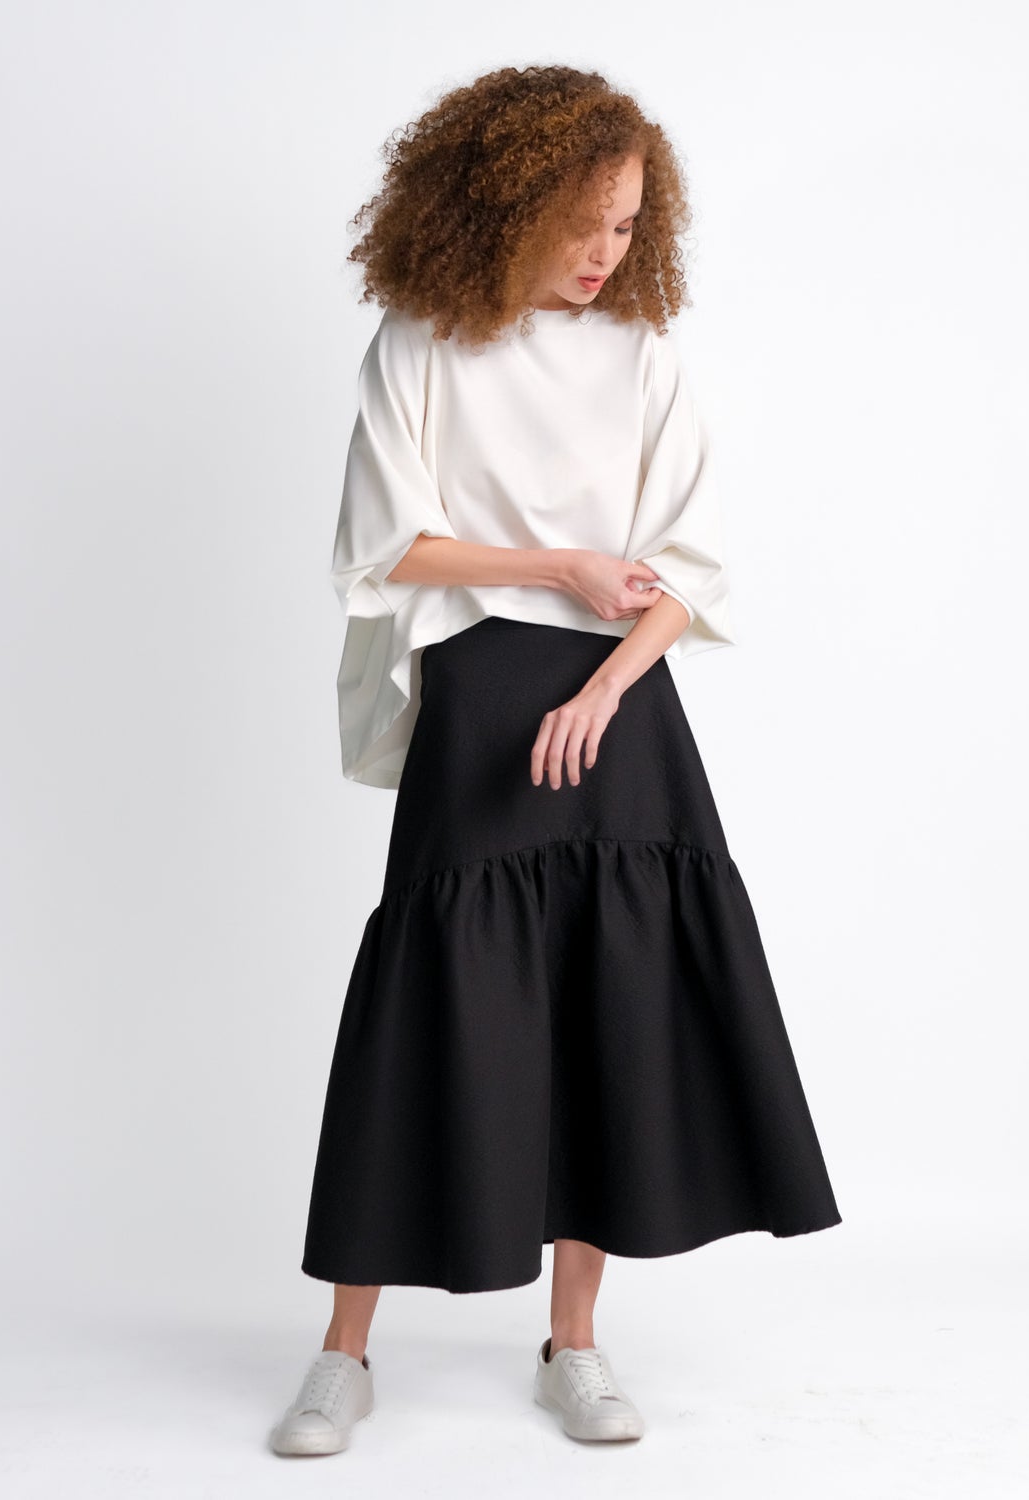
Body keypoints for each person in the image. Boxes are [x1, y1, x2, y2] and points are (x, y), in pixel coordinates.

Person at [270, 63, 841, 1457]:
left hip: (623, 705)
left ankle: (573, 1344)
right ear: (505, 204)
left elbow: (690, 573)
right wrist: (560, 567)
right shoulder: (419, 343)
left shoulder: (642, 356)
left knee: (612, 1002)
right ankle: (344, 1354)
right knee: (432, 1005)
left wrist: (606, 684)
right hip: (480, 693)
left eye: (627, 224)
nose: (605, 251)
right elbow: (386, 548)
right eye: (582, 222)